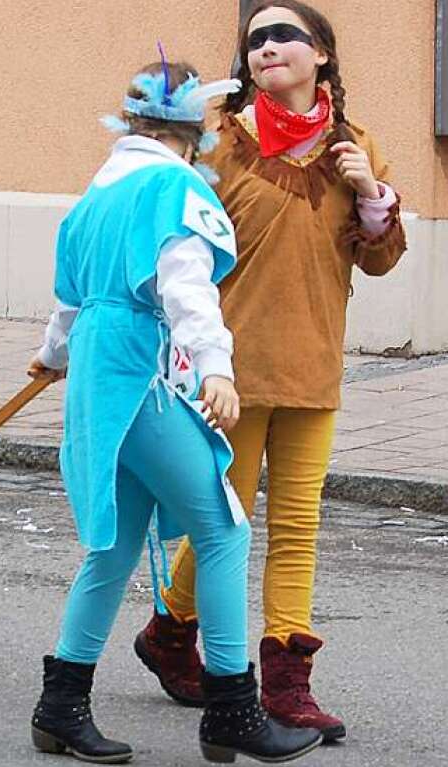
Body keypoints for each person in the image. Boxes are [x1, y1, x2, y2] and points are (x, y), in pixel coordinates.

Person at [26, 59, 322, 764]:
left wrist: (53, 355)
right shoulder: (171, 185)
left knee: (115, 545)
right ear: (195, 130)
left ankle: (59, 705)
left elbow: (69, 301)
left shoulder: (94, 195)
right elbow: (186, 286)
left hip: (99, 377)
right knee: (222, 530)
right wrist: (216, 367)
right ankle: (230, 710)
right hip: (137, 371)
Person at [135, 1, 406, 744]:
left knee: (295, 526)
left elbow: (378, 259)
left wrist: (372, 200)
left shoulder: (355, 146)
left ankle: (285, 682)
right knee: (223, 518)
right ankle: (171, 630)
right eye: (253, 40)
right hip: (228, 370)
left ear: (321, 54)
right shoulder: (217, 142)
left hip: (313, 367)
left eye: (284, 35)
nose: (265, 48)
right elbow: (168, 246)